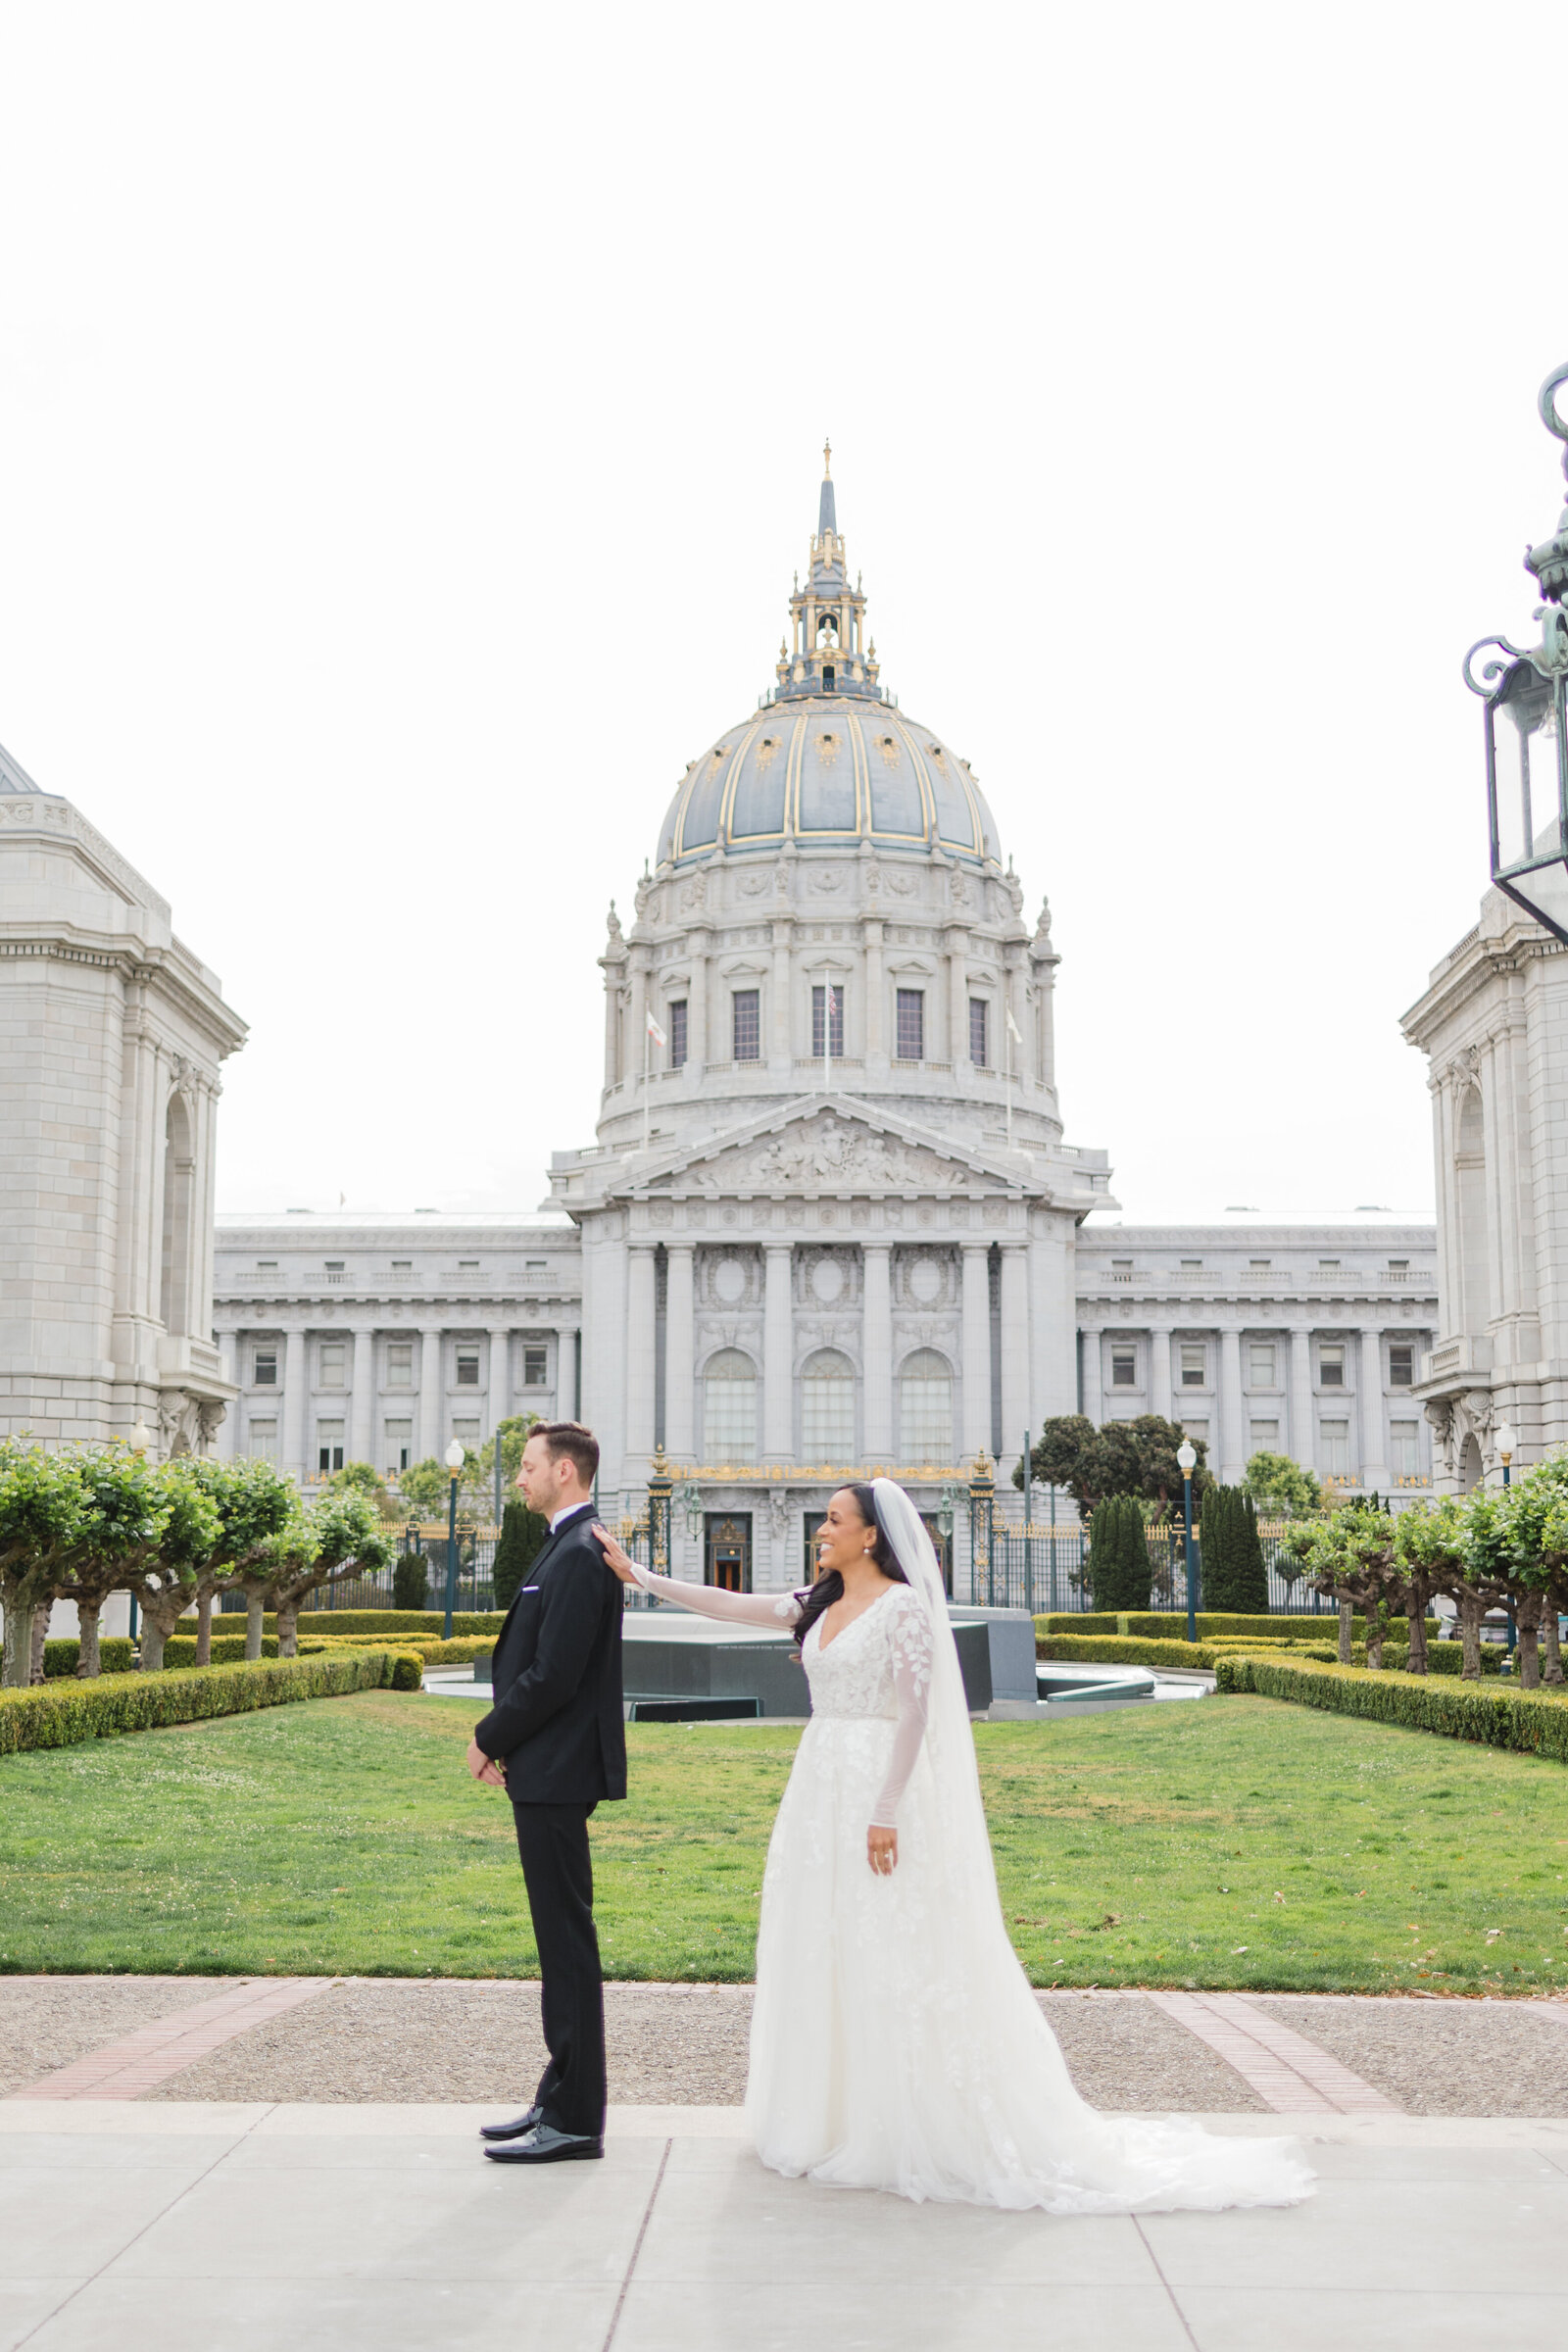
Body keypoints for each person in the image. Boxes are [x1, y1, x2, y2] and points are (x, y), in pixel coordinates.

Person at [593, 1477, 1314, 2215]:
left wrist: (886, 1808)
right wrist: (639, 1576)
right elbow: (732, 1605)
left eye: (834, 1521)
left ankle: (903, 2119)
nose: (822, 1531)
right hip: (816, 1788)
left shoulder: (903, 1608)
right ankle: (827, 2113)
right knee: (820, 1937)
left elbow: (915, 1715)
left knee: (887, 1941)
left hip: (877, 1783)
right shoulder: (817, 1603)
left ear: (870, 1535)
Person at [466, 1420, 624, 2166]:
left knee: (566, 1945)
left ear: (566, 1470)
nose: (518, 1478)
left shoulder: (580, 1551)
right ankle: (557, 2096)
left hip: (557, 1772)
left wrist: (490, 1734)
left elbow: (553, 1675)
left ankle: (574, 2118)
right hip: (548, 1769)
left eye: (528, 1466)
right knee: (558, 1944)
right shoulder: (568, 1543)